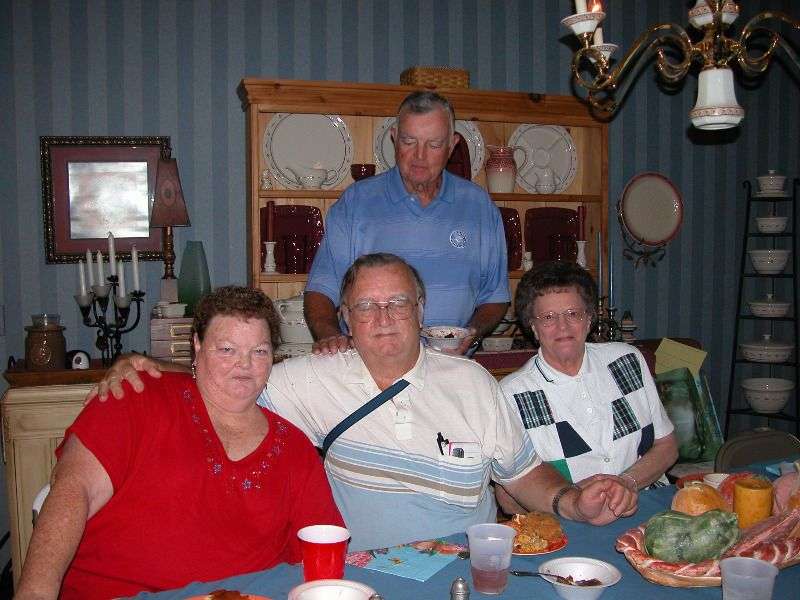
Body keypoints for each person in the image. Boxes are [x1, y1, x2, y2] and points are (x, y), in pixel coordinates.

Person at [89, 254, 637, 553]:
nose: (383, 317)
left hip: (460, 577)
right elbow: (233, 377)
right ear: (345, 318)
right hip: (362, 579)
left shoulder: (473, 383)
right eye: (366, 306)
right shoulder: (313, 378)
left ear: (421, 309)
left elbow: (522, 475)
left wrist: (570, 501)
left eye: (398, 302)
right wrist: (147, 366)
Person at [16, 287, 343, 600]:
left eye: (259, 351)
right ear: (197, 346)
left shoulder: (294, 448)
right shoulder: (135, 397)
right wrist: (35, 593)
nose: (245, 364)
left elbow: (321, 552)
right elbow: (74, 489)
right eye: (227, 349)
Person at [304, 90, 509, 356]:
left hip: (452, 364)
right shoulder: (356, 202)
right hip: (370, 365)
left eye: (434, 144)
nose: (419, 156)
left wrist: (472, 332)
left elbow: (495, 296)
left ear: (452, 145)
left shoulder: (479, 205)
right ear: (394, 137)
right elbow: (321, 289)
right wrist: (330, 336)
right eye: (409, 141)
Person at [496, 261, 678, 515]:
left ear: (589, 318)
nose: (563, 326)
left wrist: (627, 482)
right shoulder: (512, 395)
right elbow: (507, 499)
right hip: (569, 525)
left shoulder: (627, 360)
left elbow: (667, 445)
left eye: (573, 314)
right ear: (533, 327)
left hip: (648, 506)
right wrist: (572, 498)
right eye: (548, 317)